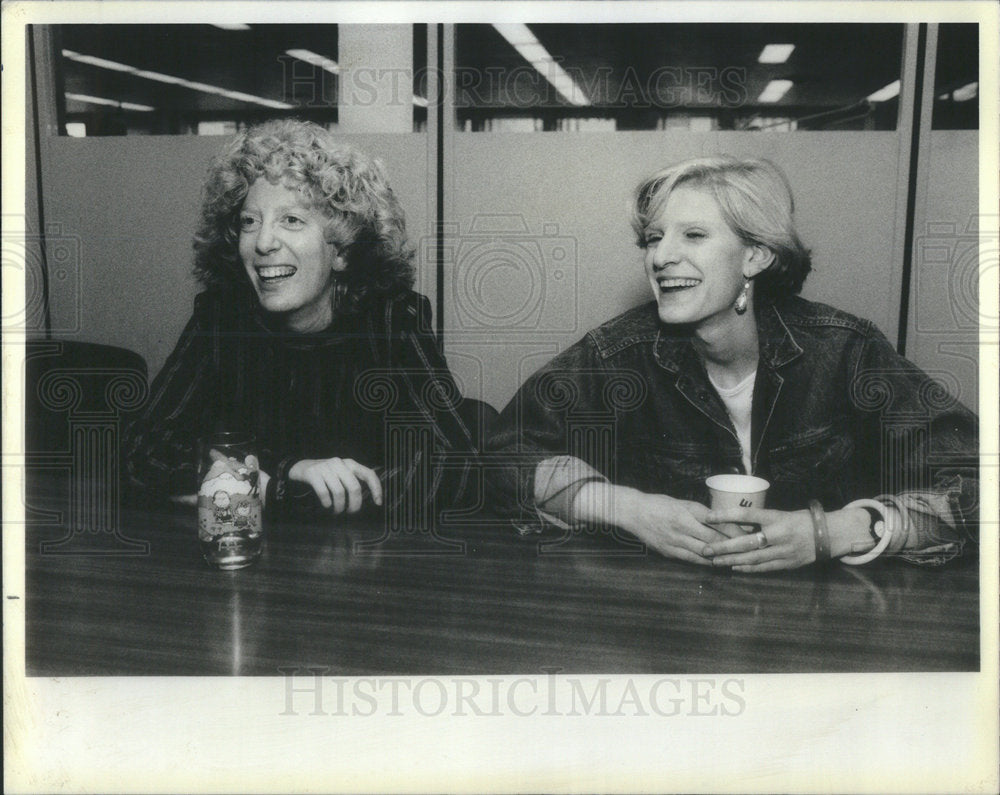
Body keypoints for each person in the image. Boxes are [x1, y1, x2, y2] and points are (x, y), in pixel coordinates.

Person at [487, 156, 978, 570]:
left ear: (756, 256)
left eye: (693, 235)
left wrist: (833, 532)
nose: (661, 257)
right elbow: (501, 456)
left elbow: (980, 487)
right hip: (667, 618)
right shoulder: (616, 354)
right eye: (653, 238)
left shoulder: (846, 351)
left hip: (833, 615)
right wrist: (628, 508)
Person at [123, 119, 478, 520]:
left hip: (364, 554)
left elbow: (460, 466)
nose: (262, 243)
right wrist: (286, 473)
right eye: (249, 221)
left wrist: (278, 493)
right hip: (248, 548)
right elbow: (140, 454)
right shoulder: (222, 319)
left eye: (291, 220)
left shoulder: (391, 320)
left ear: (342, 250)